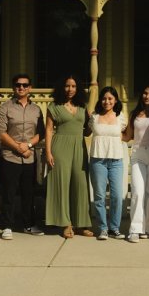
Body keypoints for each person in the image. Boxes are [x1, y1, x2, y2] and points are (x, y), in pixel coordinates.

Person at [0, 74, 45, 239]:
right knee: (9, 192)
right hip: (10, 156)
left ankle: (28, 224)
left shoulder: (36, 109)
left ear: (30, 88)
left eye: (25, 85)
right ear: (13, 87)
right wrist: (18, 147)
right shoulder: (5, 107)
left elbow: (40, 133)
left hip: (29, 156)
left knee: (28, 193)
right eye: (18, 85)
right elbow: (0, 132)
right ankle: (7, 226)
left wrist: (28, 145)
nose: (21, 88)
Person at [45, 75, 93, 238]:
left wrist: (92, 122)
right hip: (60, 146)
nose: (70, 89)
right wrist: (48, 152)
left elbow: (87, 131)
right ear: (62, 87)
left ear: (78, 88)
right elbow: (49, 130)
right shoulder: (54, 106)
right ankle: (66, 223)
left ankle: (81, 223)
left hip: (79, 146)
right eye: (67, 86)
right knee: (62, 184)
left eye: (73, 86)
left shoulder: (82, 106)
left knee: (80, 184)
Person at [123, 83, 149, 243]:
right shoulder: (135, 114)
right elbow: (127, 136)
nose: (148, 96)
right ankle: (135, 229)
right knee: (138, 191)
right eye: (145, 93)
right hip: (138, 154)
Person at [89, 86, 127, 240]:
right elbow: (86, 130)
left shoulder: (121, 117)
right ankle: (103, 228)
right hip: (98, 160)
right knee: (99, 196)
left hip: (116, 160)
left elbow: (127, 134)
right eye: (104, 98)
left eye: (110, 98)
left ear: (115, 100)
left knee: (117, 195)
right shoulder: (94, 116)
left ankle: (114, 228)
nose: (107, 101)